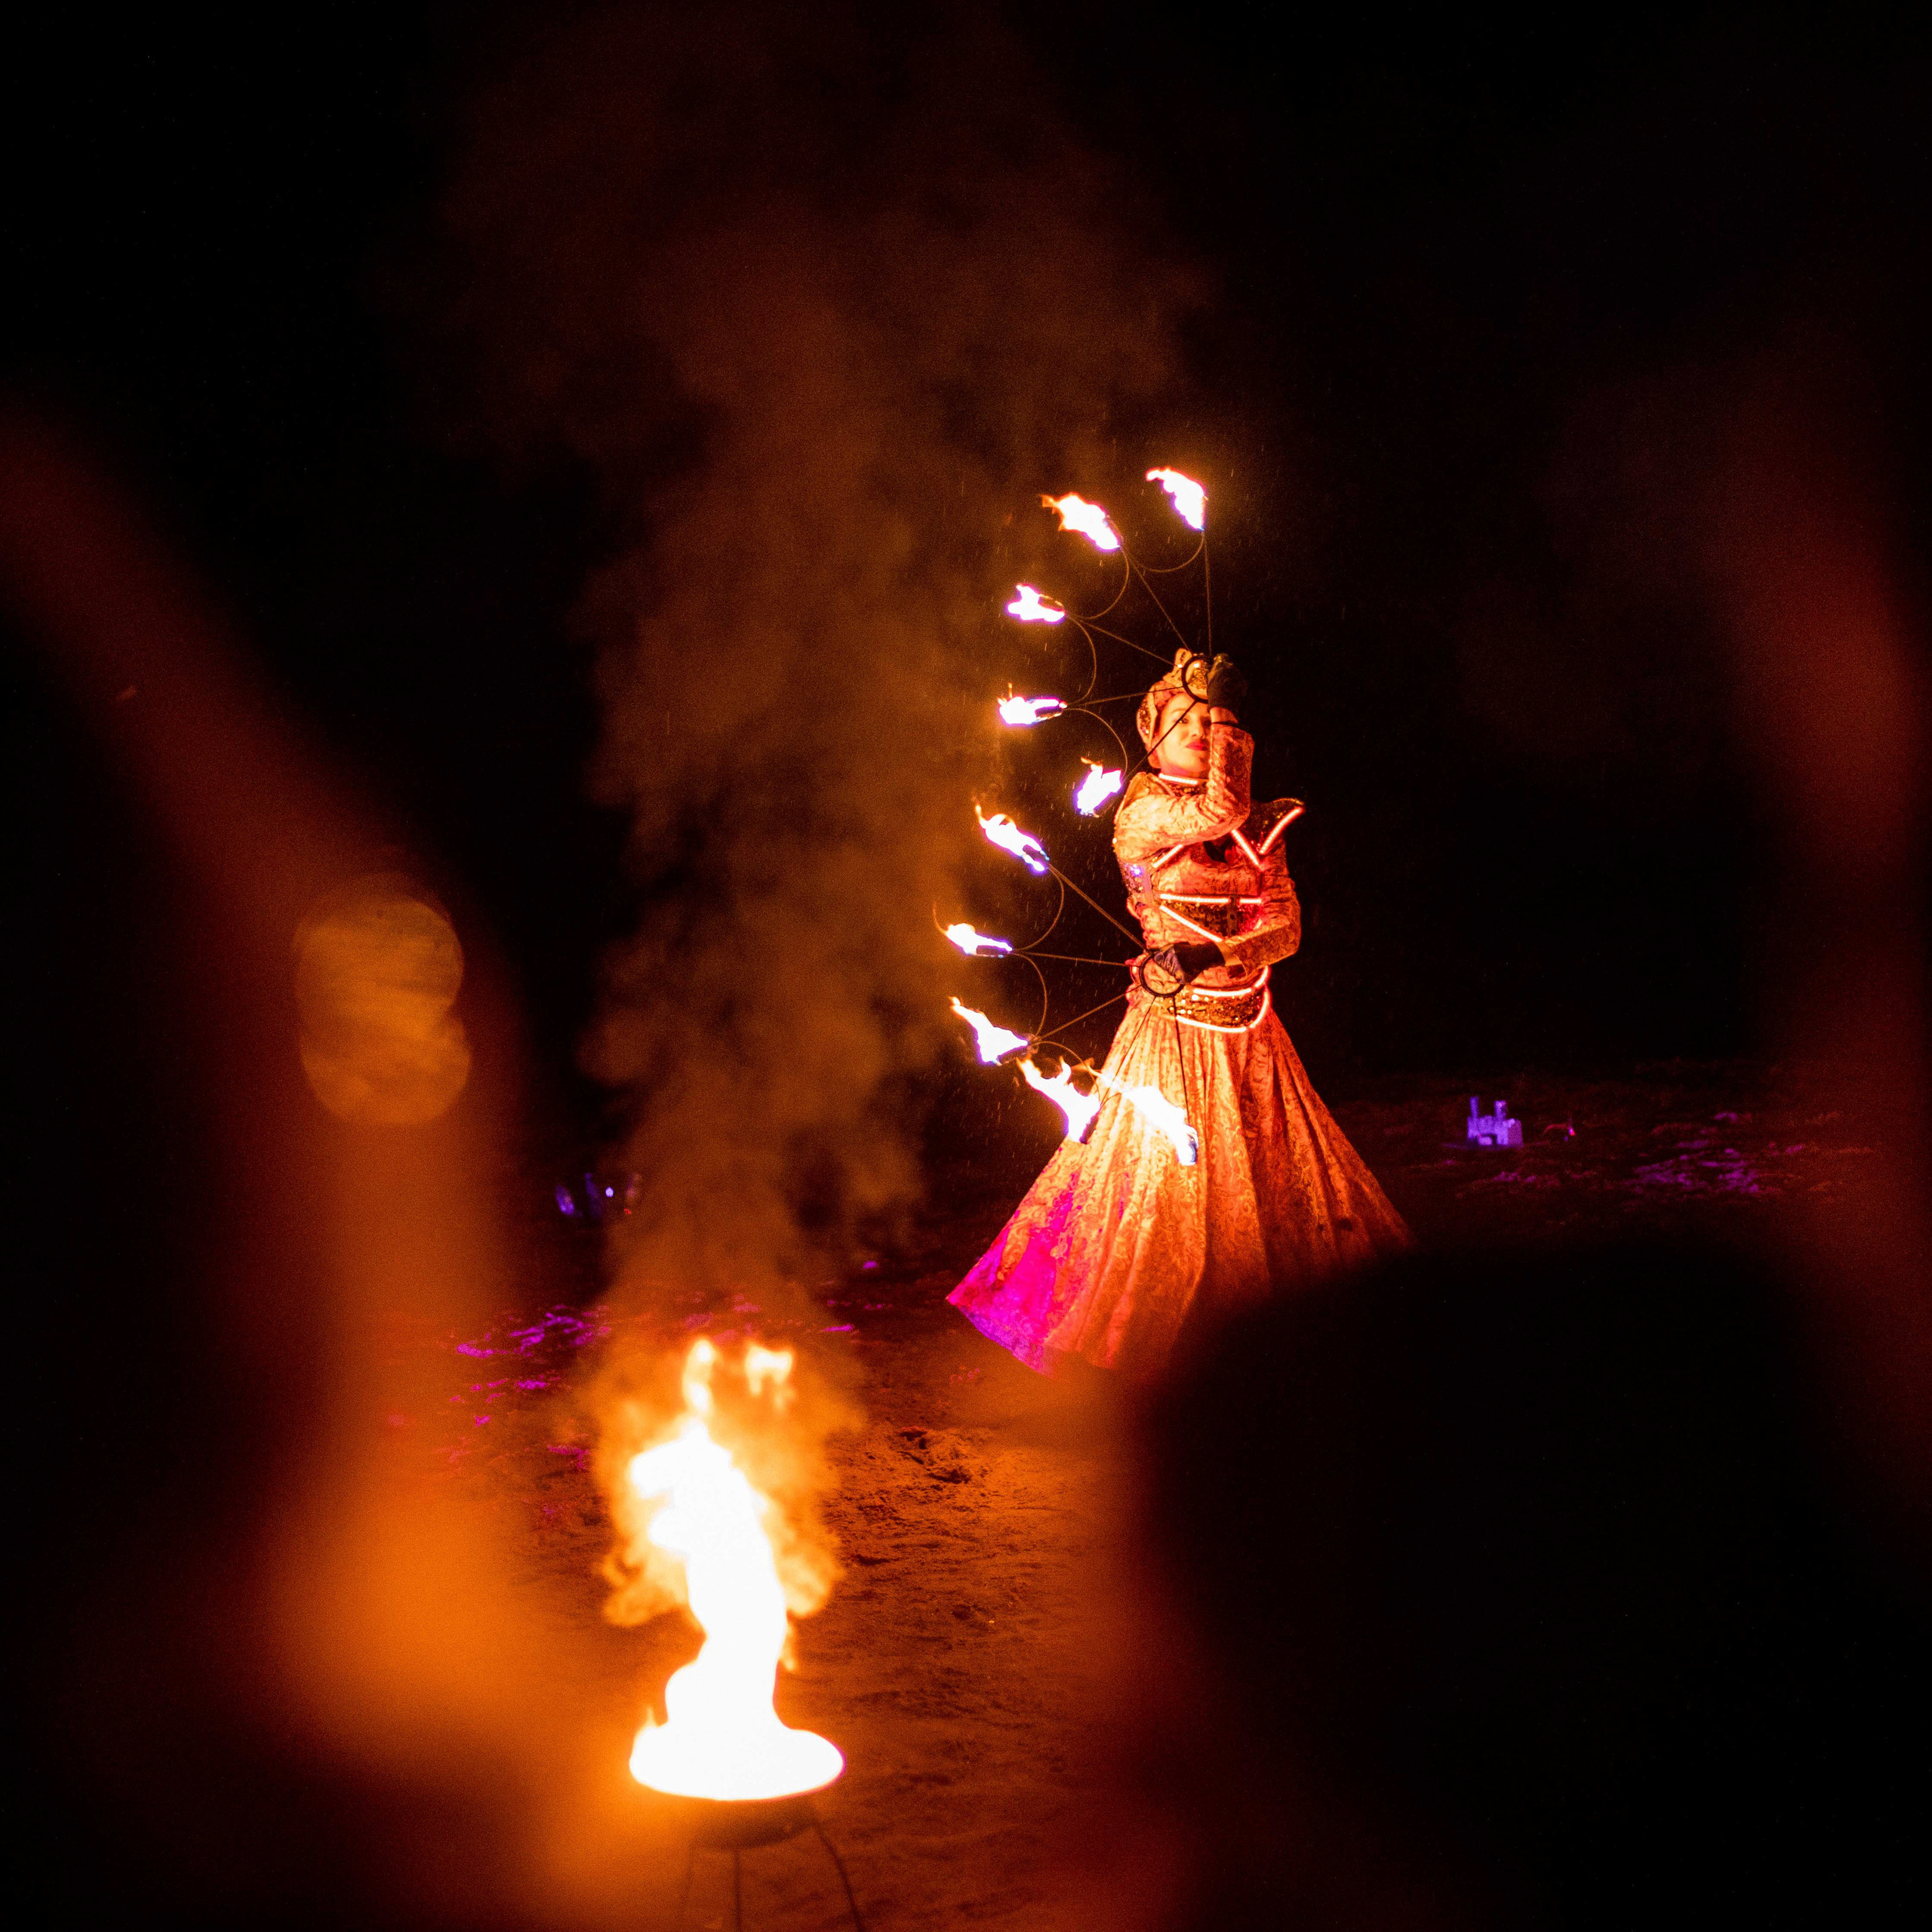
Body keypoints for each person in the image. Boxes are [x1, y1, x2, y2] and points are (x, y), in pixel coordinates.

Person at [949, 648, 1411, 1376]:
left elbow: (1285, 931)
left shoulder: (1259, 821)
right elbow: (1215, 809)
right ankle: (1153, 1358)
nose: (1201, 728)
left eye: (1210, 717)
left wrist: (1212, 955)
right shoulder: (1141, 814)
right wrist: (1230, 715)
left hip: (1256, 1035)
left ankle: (1276, 1346)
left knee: (1281, 1202)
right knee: (1160, 1202)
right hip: (1172, 1041)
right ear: (1151, 735)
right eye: (1185, 717)